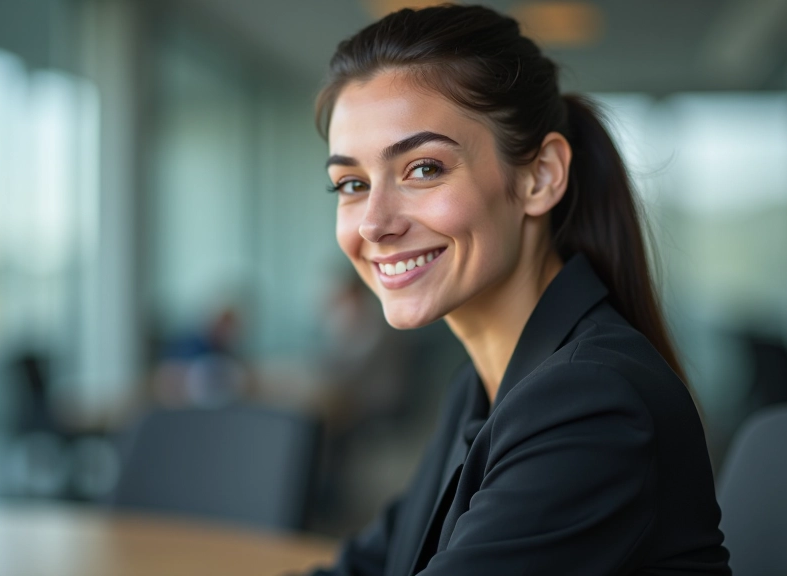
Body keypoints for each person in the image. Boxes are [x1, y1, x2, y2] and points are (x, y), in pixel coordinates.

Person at [307, 5, 731, 575]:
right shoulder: (484, 387)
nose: (373, 223)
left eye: (424, 169)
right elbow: (373, 563)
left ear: (541, 176)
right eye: (352, 184)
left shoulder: (591, 403)